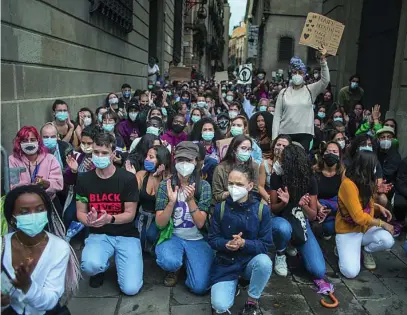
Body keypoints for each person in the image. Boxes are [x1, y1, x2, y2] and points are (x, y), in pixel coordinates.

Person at [76, 132, 143, 295]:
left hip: (126, 234)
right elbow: (80, 212)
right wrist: (89, 220)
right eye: (96, 152)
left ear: (113, 154)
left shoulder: (127, 179)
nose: (99, 156)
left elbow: (130, 214)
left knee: (131, 289)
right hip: (98, 234)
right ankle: (100, 268)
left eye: (104, 153)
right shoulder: (83, 179)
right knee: (90, 265)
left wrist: (109, 218)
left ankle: (125, 264)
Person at [2, 185, 80, 315]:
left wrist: (28, 287)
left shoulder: (59, 248)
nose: (34, 216)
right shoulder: (2, 246)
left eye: (39, 210)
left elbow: (50, 301)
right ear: (12, 217)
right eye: (25, 212)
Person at [209, 164, 273, 315]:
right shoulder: (221, 208)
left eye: (239, 184)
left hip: (249, 261)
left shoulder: (261, 210)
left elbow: (265, 245)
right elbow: (212, 239)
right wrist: (226, 244)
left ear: (250, 186)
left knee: (264, 262)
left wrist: (244, 243)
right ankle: (233, 285)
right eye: (230, 184)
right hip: (225, 263)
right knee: (219, 305)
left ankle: (252, 300)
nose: (234, 188)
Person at [154, 142, 213, 293]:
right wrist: (171, 203)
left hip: (197, 239)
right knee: (169, 261)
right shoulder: (165, 185)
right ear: (175, 162)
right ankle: (175, 267)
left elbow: (200, 223)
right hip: (173, 236)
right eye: (180, 160)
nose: (184, 164)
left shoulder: (203, 186)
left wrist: (190, 200)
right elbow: (160, 224)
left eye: (189, 160)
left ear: (196, 162)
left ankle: (190, 260)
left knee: (200, 287)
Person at [335, 151, 395, 278]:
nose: (375, 169)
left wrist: (378, 207)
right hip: (348, 231)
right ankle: (341, 251)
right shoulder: (348, 184)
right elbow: (358, 216)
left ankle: (366, 251)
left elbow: (366, 202)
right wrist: (382, 223)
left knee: (387, 240)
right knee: (350, 272)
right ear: (365, 166)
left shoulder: (366, 181)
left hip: (365, 229)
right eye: (373, 166)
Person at [270, 144, 325, 279]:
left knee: (318, 271)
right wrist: (284, 203)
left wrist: (303, 206)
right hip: (281, 219)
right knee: (282, 228)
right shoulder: (277, 177)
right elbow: (273, 208)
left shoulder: (310, 180)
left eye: (282, 160)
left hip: (300, 221)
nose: (279, 162)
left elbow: (312, 216)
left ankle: (294, 243)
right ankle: (281, 253)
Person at [272, 46, 330, 153]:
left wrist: (323, 61)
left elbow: (325, 81)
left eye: (300, 73)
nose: (297, 75)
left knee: (300, 164)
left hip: (305, 135)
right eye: (295, 72)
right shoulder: (283, 92)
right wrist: (274, 139)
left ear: (304, 75)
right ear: (291, 73)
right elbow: (277, 117)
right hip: (285, 133)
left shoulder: (310, 90)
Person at [125, 145, 171, 253]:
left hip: (158, 217)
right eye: (146, 156)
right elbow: (132, 196)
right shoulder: (141, 174)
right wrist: (131, 178)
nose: (146, 159)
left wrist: (157, 178)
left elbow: (160, 201)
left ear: (161, 160)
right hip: (142, 215)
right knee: (138, 243)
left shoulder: (168, 178)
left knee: (151, 236)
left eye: (151, 157)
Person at [9, 126, 64, 214]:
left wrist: (46, 183)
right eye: (25, 140)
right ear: (19, 143)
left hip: (47, 202)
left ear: (38, 141)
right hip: (23, 206)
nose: (29, 143)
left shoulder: (50, 159)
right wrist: (31, 186)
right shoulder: (13, 160)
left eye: (32, 139)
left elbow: (59, 183)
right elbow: (12, 185)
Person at [212, 135, 260, 204]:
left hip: (247, 203)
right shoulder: (220, 168)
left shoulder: (254, 166)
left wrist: (243, 193)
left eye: (249, 149)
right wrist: (233, 192)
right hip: (226, 203)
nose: (246, 151)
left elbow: (255, 191)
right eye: (243, 148)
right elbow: (217, 195)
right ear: (234, 150)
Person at [313, 141, 345, 239]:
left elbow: (345, 197)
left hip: (335, 208)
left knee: (329, 228)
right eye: (328, 151)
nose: (331, 154)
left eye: (335, 152)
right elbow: (310, 193)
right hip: (317, 205)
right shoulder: (314, 171)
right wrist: (319, 207)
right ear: (323, 155)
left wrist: (331, 210)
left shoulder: (343, 173)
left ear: (339, 155)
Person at [258, 135, 292, 204]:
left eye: (284, 146)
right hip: (269, 195)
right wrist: (268, 198)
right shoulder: (264, 164)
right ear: (274, 146)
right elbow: (260, 186)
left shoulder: (292, 165)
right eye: (278, 144)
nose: (280, 148)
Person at [189, 118, 221, 184]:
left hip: (213, 179)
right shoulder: (193, 144)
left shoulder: (219, 146)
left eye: (210, 129)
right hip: (195, 178)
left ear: (214, 132)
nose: (207, 132)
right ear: (201, 132)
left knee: (212, 161)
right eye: (205, 130)